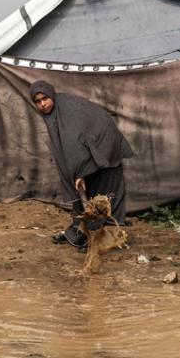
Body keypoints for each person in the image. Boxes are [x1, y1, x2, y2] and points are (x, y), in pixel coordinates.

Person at [28, 80, 134, 250]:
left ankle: (99, 239)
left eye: (45, 99)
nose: (42, 104)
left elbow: (75, 145)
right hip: (91, 151)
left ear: (51, 95)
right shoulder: (55, 112)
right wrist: (77, 174)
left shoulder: (67, 111)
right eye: (38, 101)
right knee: (82, 193)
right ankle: (80, 233)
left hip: (104, 147)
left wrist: (80, 173)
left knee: (102, 194)